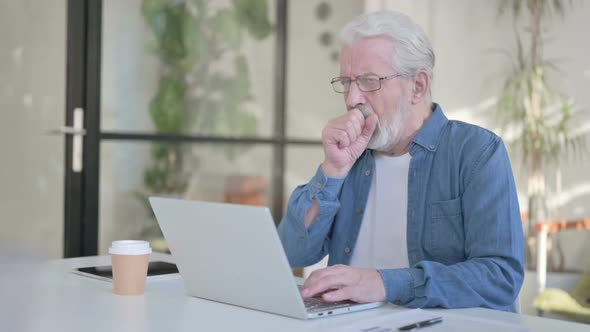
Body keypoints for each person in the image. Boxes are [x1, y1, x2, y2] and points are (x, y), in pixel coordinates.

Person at [277, 11, 524, 312]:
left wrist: (384, 283)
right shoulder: (350, 156)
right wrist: (333, 169)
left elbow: (501, 277)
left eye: (369, 81)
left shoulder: (477, 153)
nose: (353, 98)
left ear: (417, 86)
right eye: (346, 82)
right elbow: (291, 251)